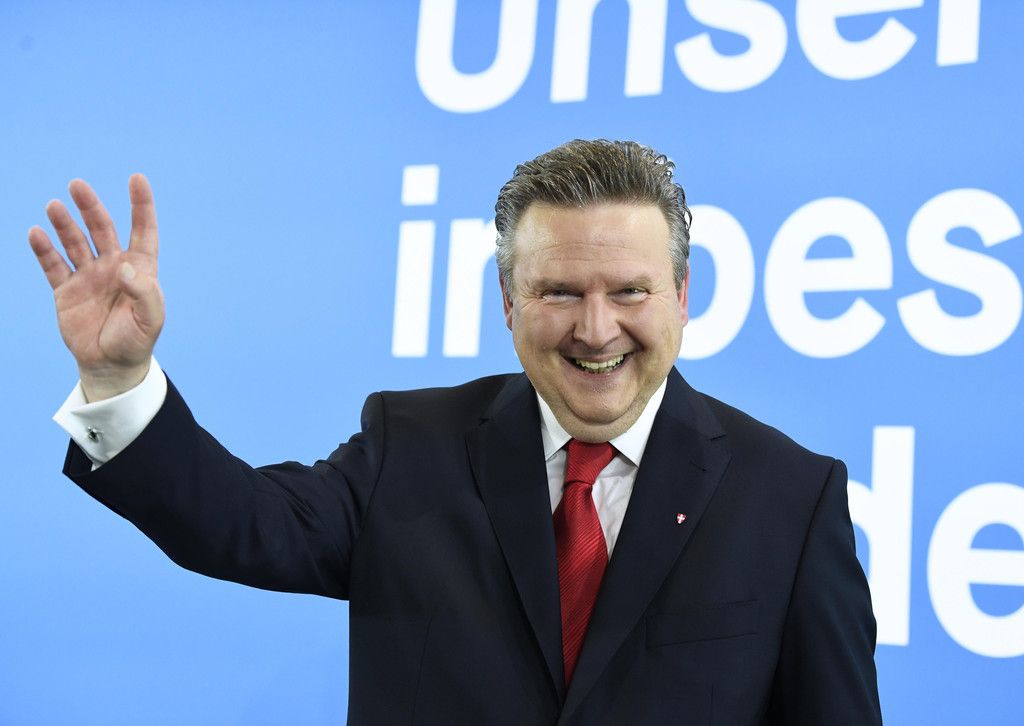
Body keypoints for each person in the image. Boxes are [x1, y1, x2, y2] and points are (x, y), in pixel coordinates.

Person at [30, 140, 882, 725]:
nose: (596, 329)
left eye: (629, 291)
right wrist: (118, 380)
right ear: (508, 302)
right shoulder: (411, 444)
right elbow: (242, 523)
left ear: (682, 297)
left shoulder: (791, 497)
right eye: (559, 292)